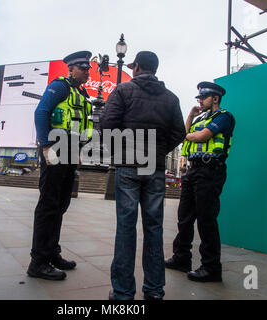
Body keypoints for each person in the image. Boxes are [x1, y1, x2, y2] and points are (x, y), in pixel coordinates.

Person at [100, 51, 186, 300]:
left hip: (128, 166)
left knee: (126, 228)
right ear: (155, 69)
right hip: (154, 168)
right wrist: (157, 151)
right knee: (154, 228)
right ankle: (154, 290)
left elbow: (106, 125)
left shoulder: (123, 91)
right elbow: (179, 132)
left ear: (136, 67)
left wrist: (122, 149)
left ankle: (123, 293)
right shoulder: (171, 98)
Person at [28, 51, 93, 281]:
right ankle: (38, 262)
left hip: (69, 151)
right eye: (83, 68)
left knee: (61, 204)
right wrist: (45, 146)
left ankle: (52, 253)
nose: (87, 72)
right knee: (48, 205)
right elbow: (41, 112)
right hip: (55, 148)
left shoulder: (80, 92)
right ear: (71, 68)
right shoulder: (60, 86)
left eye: (88, 69)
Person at [165, 81, 235, 283]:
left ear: (215, 98)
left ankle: (211, 267)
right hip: (193, 171)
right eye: (198, 98)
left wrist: (188, 135)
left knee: (206, 220)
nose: (200, 101)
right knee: (184, 218)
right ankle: (181, 258)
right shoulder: (198, 119)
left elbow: (202, 136)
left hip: (210, 170)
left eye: (203, 97)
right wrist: (190, 116)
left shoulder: (224, 117)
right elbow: (183, 135)